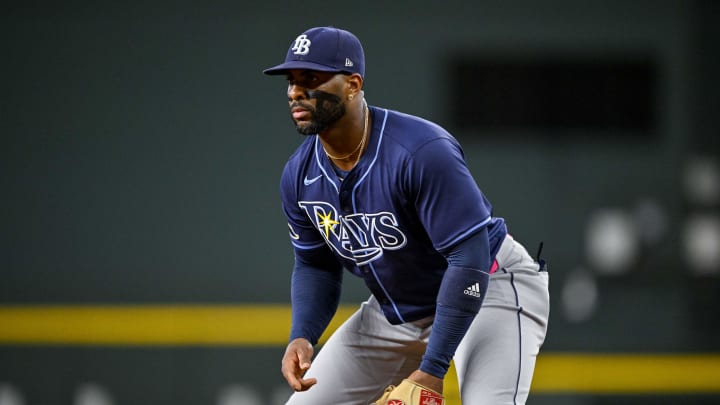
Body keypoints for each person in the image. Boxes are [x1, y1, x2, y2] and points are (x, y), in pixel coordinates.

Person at [263, 26, 550, 405]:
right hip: (398, 312)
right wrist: (302, 334)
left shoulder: (419, 151)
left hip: (488, 288)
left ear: (352, 84)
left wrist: (432, 370)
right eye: (292, 80)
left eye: (312, 78)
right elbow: (315, 265)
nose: (296, 91)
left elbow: (470, 258)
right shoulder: (299, 176)